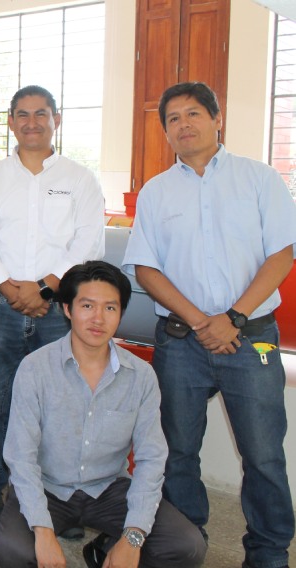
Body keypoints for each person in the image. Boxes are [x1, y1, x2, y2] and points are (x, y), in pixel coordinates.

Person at [123, 81, 296, 568]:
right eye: (173, 118)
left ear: (217, 119)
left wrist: (233, 318)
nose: (184, 124)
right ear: (165, 131)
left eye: (194, 113)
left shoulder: (260, 178)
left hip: (253, 339)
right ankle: (185, 541)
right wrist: (204, 322)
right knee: (175, 450)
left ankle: (268, 552)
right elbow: (146, 269)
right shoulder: (156, 193)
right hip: (181, 342)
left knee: (263, 454)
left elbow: (282, 255)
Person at [0, 84, 106, 531]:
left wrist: (45, 288)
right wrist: (12, 289)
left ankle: (63, 503)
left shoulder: (80, 178)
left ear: (57, 119)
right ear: (11, 122)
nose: (32, 122)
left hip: (60, 312)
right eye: (22, 114)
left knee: (62, 406)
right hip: (0, 307)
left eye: (41, 113)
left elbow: (87, 241)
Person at [0, 261, 207, 568]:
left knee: (186, 545)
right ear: (67, 309)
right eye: (87, 305)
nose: (98, 318)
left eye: (110, 308)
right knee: (13, 550)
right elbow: (20, 457)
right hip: (48, 487)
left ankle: (108, 546)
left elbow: (151, 459)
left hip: (109, 489)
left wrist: (133, 538)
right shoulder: (36, 368)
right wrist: (43, 530)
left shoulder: (141, 376)